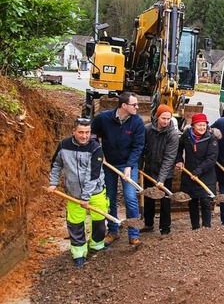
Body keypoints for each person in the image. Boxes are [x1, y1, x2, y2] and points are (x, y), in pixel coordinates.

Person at [48, 118, 107, 267]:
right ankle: (79, 252)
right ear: (74, 131)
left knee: (99, 221)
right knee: (75, 223)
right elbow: (56, 165)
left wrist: (86, 197)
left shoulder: (95, 148)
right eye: (81, 132)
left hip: (95, 192)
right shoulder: (63, 146)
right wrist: (53, 183)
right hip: (73, 194)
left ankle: (97, 245)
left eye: (87, 132)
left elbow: (92, 174)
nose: (84, 136)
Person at [91, 91, 145, 247]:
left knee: (130, 198)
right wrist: (100, 153)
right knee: (110, 197)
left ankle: (134, 235)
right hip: (109, 164)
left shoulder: (137, 122)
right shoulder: (104, 118)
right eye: (134, 104)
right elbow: (93, 136)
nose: (137, 107)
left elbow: (138, 146)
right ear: (123, 105)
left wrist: (129, 165)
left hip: (128, 164)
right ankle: (113, 231)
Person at [140, 104, 179, 235]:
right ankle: (148, 223)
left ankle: (165, 228)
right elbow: (141, 150)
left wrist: (161, 180)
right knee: (149, 197)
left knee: (165, 201)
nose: (166, 121)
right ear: (157, 117)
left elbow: (169, 158)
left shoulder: (172, 134)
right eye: (163, 118)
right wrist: (140, 167)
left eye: (168, 119)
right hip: (150, 169)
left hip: (165, 173)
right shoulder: (148, 129)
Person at [176, 113, 219, 230]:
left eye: (204, 125)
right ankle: (195, 228)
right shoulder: (186, 136)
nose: (202, 128)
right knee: (192, 201)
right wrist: (179, 160)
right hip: (189, 174)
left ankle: (206, 228)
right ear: (193, 126)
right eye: (199, 125)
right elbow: (178, 149)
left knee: (205, 201)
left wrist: (197, 171)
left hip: (206, 175)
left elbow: (211, 158)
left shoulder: (211, 138)